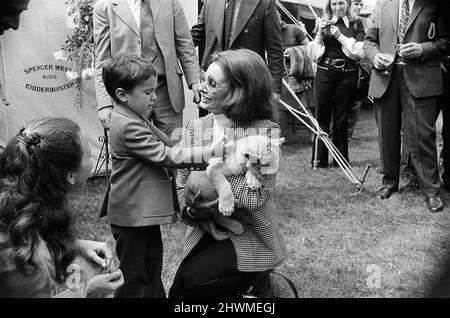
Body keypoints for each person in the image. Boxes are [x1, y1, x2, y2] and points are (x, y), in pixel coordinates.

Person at [101, 54, 226, 298]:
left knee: (152, 264)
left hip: (140, 214)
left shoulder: (133, 116)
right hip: (131, 216)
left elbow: (167, 142)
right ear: (122, 94)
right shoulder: (127, 125)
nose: (155, 97)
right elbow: (166, 155)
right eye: (147, 92)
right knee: (134, 275)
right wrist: (210, 152)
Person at [169, 49, 288, 298]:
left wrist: (208, 178)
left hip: (249, 231)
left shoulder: (266, 132)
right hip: (204, 226)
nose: (201, 87)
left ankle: (256, 286)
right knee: (180, 289)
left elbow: (257, 197)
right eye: (204, 79)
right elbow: (181, 186)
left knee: (195, 281)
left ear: (238, 92)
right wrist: (192, 211)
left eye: (212, 83)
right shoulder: (195, 127)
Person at [0, 117, 124, 297]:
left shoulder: (24, 201)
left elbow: (41, 233)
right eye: (89, 156)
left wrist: (76, 245)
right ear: (71, 176)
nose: (91, 160)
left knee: (91, 265)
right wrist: (89, 290)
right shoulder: (20, 253)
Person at [364, 0, 450, 212]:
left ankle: (432, 191)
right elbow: (369, 41)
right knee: (387, 134)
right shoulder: (382, 4)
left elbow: (446, 41)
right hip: (386, 78)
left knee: (423, 136)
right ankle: (389, 183)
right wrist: (375, 57)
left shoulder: (434, 4)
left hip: (421, 77)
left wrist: (422, 48)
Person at [93, 0, 200, 141]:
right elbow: (103, 60)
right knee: (136, 151)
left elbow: (185, 44)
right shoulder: (105, 6)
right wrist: (105, 104)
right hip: (131, 94)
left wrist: (195, 81)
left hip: (167, 90)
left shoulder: (170, 2)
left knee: (174, 148)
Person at [190, 0, 284, 104]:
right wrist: (193, 76)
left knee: (247, 120)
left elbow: (275, 50)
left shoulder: (264, 2)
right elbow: (193, 37)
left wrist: (275, 90)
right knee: (216, 120)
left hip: (247, 84)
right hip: (214, 85)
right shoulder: (211, 2)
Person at [308, 0, 365, 168]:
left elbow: (359, 52)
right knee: (321, 117)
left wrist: (339, 36)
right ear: (329, 6)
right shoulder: (322, 21)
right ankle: (319, 160)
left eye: (341, 3)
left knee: (341, 119)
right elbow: (313, 54)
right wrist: (319, 33)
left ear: (348, 4)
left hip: (348, 74)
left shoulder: (357, 23)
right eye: (334, 4)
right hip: (325, 71)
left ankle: (341, 161)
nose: (337, 8)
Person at [277, 9, 314, 135]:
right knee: (280, 109)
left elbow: (309, 48)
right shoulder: (266, 32)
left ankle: (315, 134)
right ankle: (277, 138)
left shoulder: (293, 29)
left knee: (302, 107)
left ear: (279, 17)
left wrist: (292, 52)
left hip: (294, 74)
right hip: (277, 75)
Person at [347, 0, 371, 140]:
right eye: (356, 4)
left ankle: (348, 134)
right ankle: (335, 133)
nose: (359, 7)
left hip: (361, 67)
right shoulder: (341, 20)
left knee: (356, 102)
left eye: (361, 4)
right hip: (344, 66)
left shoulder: (365, 22)